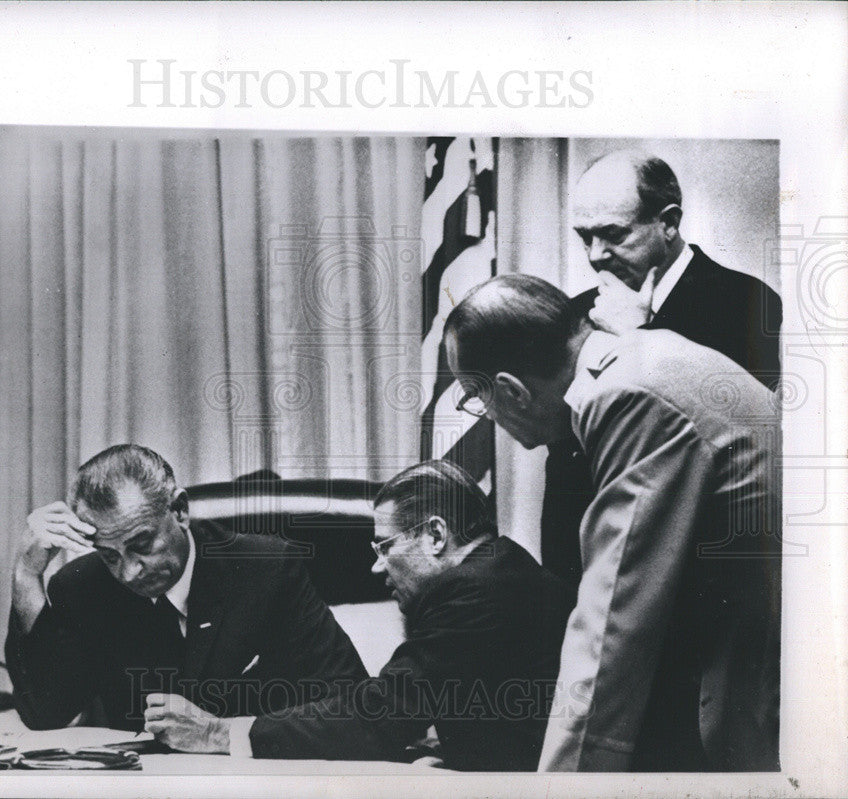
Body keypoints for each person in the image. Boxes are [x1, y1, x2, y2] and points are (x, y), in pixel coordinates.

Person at [444, 274, 781, 771]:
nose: (486, 415)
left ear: (512, 391)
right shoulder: (640, 357)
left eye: (476, 399)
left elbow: (614, 621)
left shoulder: (624, 396)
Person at [142, 460, 574, 771]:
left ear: (436, 535)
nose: (376, 567)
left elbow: (381, 712)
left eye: (384, 547)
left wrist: (218, 733)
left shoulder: (470, 590)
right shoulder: (505, 567)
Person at [5, 444, 368, 736]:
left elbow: (350, 699)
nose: (129, 573)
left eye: (142, 544)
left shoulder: (267, 568)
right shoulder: (81, 586)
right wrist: (26, 575)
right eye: (109, 555)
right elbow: (45, 715)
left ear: (179, 511)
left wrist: (225, 733)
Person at [544, 149, 783, 588]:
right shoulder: (577, 315)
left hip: (703, 581)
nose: (596, 256)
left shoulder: (746, 302)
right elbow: (564, 456)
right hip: (597, 574)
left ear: (669, 222)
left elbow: (740, 452)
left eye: (613, 235)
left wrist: (639, 340)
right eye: (584, 237)